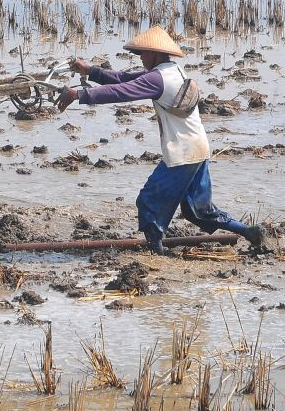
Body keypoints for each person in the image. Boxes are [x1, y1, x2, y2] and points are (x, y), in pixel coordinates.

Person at [55, 26, 264, 255]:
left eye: (143, 53)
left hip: (182, 153)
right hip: (199, 148)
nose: (141, 58)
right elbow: (124, 79)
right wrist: (91, 71)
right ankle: (247, 231)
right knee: (199, 210)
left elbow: (122, 91)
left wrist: (79, 94)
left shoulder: (157, 79)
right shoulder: (173, 71)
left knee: (148, 201)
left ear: (156, 54)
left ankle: (157, 251)